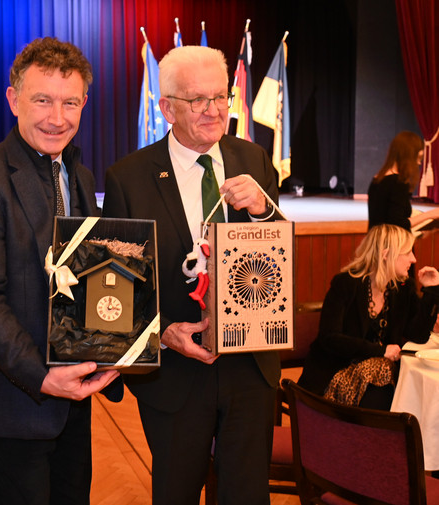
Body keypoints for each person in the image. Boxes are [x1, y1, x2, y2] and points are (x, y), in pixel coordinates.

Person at [0, 37, 121, 505]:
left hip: (72, 400)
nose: (57, 118)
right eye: (42, 100)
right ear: (13, 99)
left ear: (85, 103)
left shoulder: (77, 175)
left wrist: (115, 340)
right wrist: (42, 376)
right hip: (11, 402)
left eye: (70, 102)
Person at [103, 45, 281, 505]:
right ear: (166, 108)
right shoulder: (128, 178)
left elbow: (277, 259)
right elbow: (118, 287)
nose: (214, 110)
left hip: (249, 366)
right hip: (176, 375)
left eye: (220, 96)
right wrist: (161, 334)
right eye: (197, 100)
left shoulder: (256, 160)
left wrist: (263, 212)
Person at [298, 224, 439, 410]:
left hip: (379, 375)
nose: (413, 259)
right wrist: (380, 351)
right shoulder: (345, 284)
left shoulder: (402, 288)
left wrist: (431, 291)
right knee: (384, 378)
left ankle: (373, 435)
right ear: (386, 254)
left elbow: (418, 335)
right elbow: (330, 338)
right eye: (407, 252)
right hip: (337, 369)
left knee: (385, 378)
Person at [368, 131, 439, 231]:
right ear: (408, 157)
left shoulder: (377, 178)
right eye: (418, 158)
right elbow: (398, 223)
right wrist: (430, 214)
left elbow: (384, 218)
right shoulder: (398, 183)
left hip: (375, 242)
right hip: (390, 244)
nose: (419, 163)